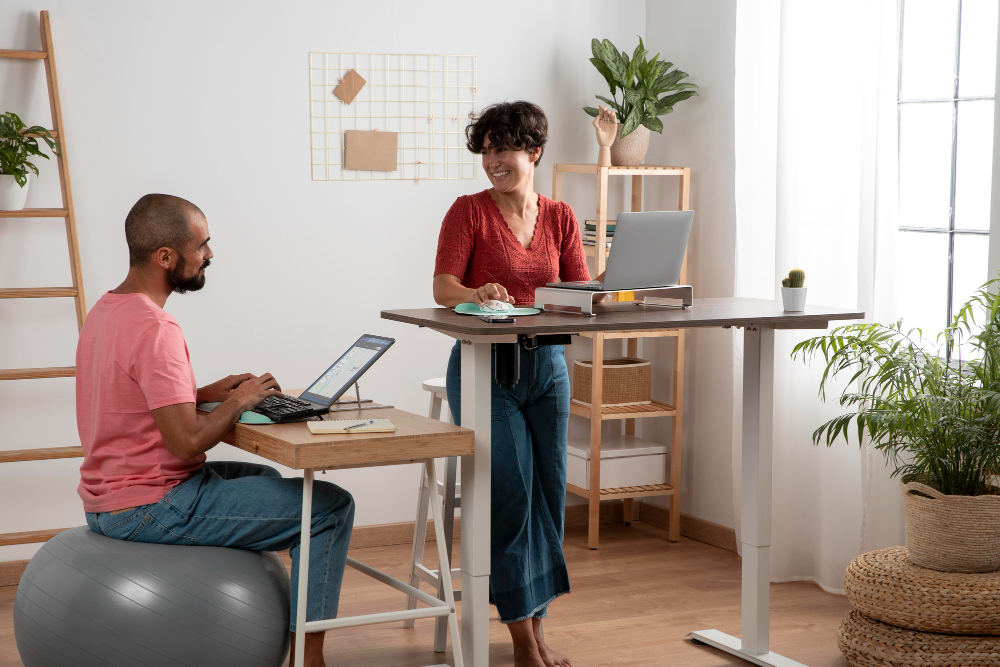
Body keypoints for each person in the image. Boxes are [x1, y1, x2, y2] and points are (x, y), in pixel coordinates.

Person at [76, 194, 353, 667]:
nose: (210, 255)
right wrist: (242, 400)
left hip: (107, 497)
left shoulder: (107, 310)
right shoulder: (156, 327)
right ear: (166, 258)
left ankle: (275, 613)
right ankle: (310, 660)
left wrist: (204, 392)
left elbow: (130, 394)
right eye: (202, 245)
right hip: (151, 506)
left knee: (267, 484)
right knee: (328, 507)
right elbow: (186, 441)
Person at [432, 101, 588, 667]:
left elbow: (579, 291)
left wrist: (612, 291)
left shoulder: (563, 216)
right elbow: (443, 287)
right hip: (486, 371)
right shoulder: (467, 212)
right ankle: (522, 642)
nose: (494, 160)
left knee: (551, 495)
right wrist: (476, 293)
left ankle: (538, 632)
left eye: (505, 148)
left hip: (548, 369)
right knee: (513, 497)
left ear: (534, 151)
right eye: (488, 150)